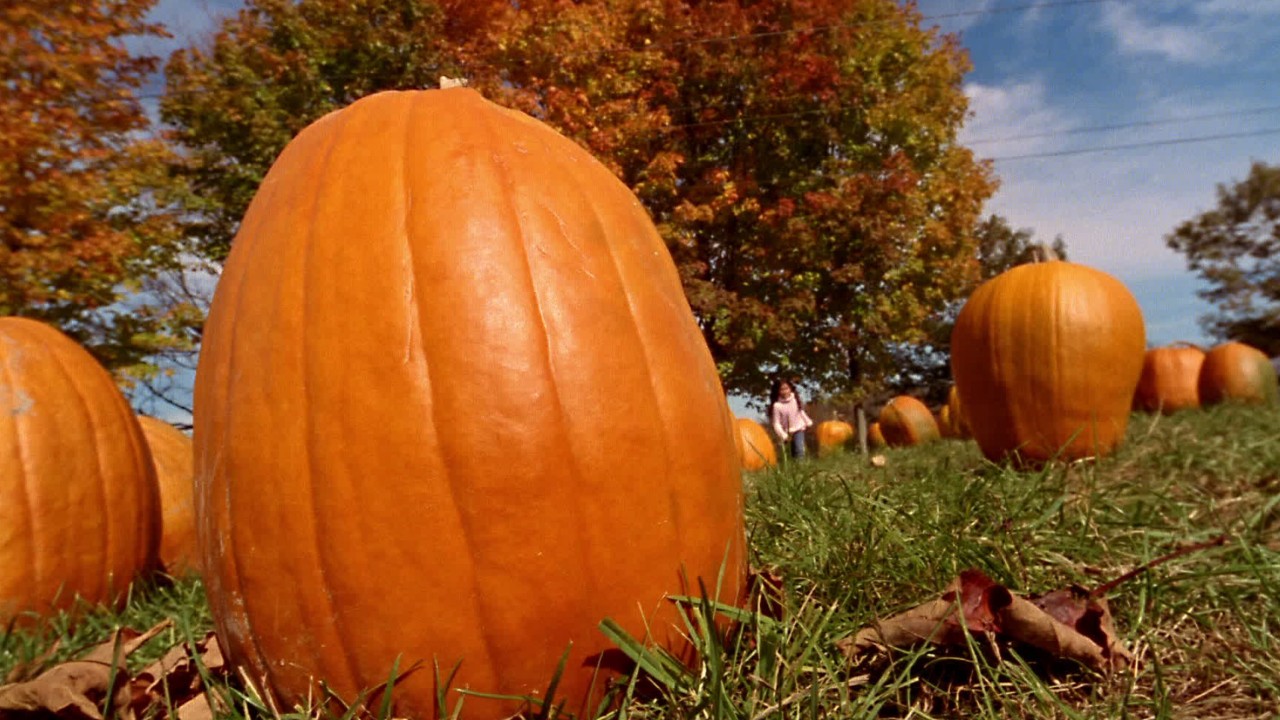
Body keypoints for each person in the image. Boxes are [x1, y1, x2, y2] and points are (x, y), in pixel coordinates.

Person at [769, 377, 814, 460]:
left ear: (790, 389)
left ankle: (801, 465)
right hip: (787, 433)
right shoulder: (777, 406)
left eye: (786, 388)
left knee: (799, 449)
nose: (785, 391)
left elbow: (800, 412)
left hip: (799, 428)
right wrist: (783, 434)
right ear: (777, 391)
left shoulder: (795, 400)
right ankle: (795, 465)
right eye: (782, 389)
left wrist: (808, 421)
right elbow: (776, 423)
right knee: (792, 452)